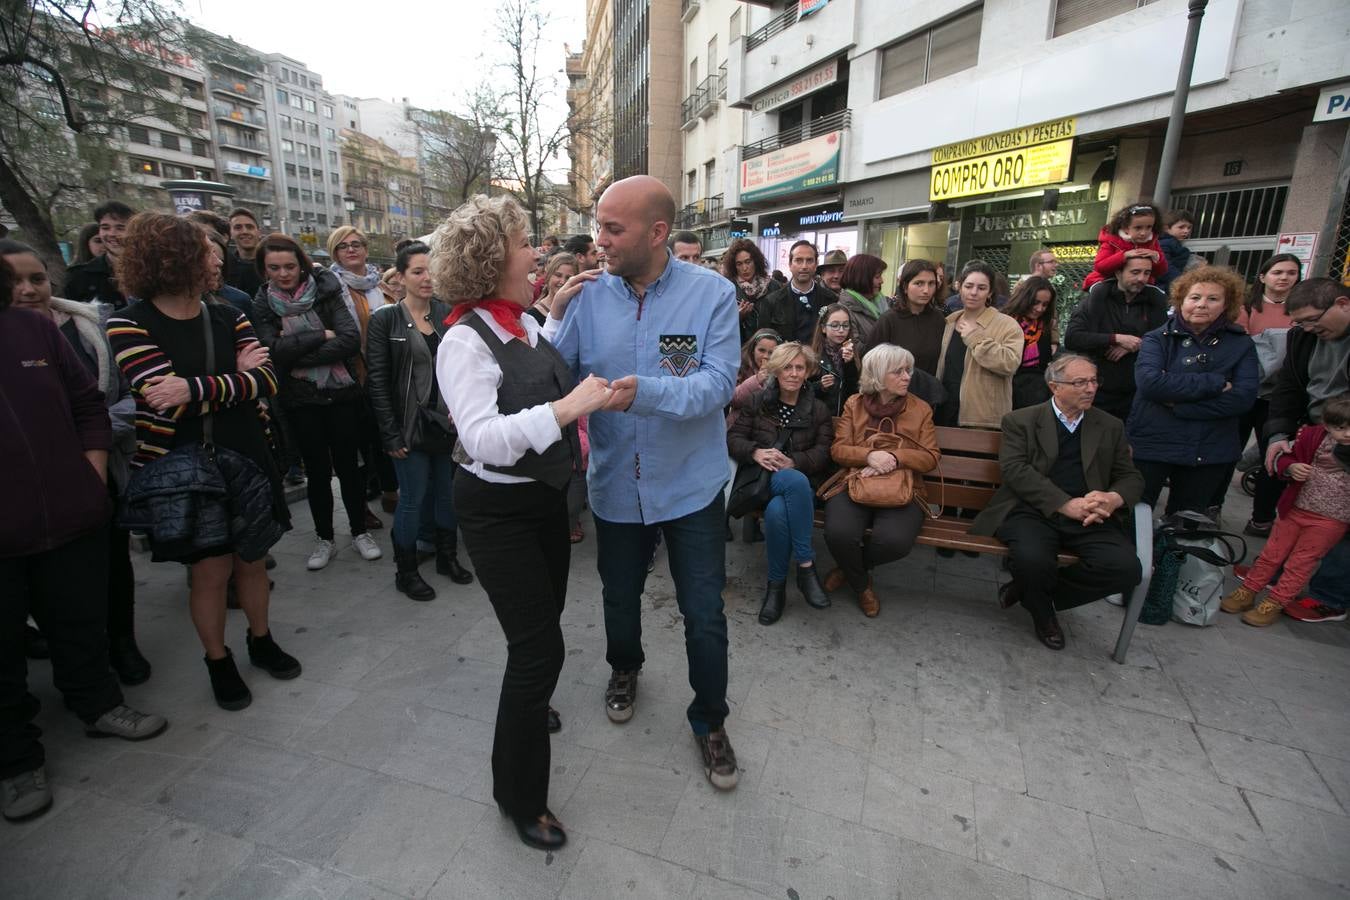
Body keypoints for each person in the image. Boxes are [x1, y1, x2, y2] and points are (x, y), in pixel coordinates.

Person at [544, 175, 742, 791]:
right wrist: (554, 316)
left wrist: (645, 393)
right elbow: (553, 380)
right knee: (619, 595)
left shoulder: (712, 294)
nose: (599, 240)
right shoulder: (585, 297)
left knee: (703, 612)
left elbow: (717, 385)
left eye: (612, 228)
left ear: (657, 233)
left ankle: (710, 719)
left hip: (690, 486)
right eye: (598, 226)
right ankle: (624, 667)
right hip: (615, 484)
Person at [435, 194, 612, 851]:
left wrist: (558, 315)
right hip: (496, 510)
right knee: (538, 649)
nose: (536, 252)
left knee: (541, 631)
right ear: (491, 259)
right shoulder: (463, 340)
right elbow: (482, 438)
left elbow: (539, 373)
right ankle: (519, 797)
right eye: (523, 243)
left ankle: (532, 705)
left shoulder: (523, 323)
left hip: (542, 501)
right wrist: (569, 409)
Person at [106, 213, 299, 710]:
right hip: (186, 466)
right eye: (207, 251)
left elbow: (267, 380)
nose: (218, 259)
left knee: (252, 560)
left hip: (248, 454)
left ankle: (261, 640)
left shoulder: (228, 314)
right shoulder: (128, 323)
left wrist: (192, 388)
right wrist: (235, 381)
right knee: (210, 573)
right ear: (173, 259)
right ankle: (218, 660)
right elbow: (162, 399)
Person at [0, 255, 168, 824]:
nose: (27, 289)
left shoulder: (32, 330)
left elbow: (88, 405)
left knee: (79, 620)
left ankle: (99, 705)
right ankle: (17, 760)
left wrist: (91, 476)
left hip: (69, 517)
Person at [3, 239, 147, 685]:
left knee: (108, 570)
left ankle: (119, 645)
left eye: (37, 278)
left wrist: (91, 464)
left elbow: (120, 398)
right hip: (21, 499)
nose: (27, 289)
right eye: (13, 281)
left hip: (94, 476)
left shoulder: (88, 328)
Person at [971, 354, 1144, 649]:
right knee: (1032, 560)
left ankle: (1031, 594)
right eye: (1080, 382)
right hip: (1032, 510)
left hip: (1090, 515)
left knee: (1126, 568)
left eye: (1094, 381)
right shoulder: (1021, 420)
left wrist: (1112, 498)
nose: (1090, 388)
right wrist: (1064, 504)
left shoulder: (1109, 425)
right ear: (1055, 386)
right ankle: (1044, 616)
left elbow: (1130, 476)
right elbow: (1015, 470)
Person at [251, 233, 381, 570]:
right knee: (318, 472)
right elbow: (272, 351)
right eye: (274, 268)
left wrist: (294, 349)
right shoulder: (263, 302)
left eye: (290, 266)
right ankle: (325, 537)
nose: (283, 274)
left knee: (349, 468)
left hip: (342, 395)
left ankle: (359, 531)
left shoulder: (325, 289)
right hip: (300, 400)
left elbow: (349, 340)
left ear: (302, 264)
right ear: (264, 270)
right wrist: (321, 335)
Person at [367, 241, 472, 601]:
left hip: (446, 423)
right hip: (408, 426)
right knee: (412, 498)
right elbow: (378, 381)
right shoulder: (386, 319)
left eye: (431, 270)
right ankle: (406, 571)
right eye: (417, 271)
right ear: (400, 277)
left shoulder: (447, 313)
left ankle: (447, 557)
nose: (427, 278)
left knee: (447, 494)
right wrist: (390, 434)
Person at [1127, 266, 1258, 514]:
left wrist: (1180, 405)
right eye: (1195, 297)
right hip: (1153, 442)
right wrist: (1215, 383)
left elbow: (1242, 398)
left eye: (1213, 298)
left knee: (1187, 522)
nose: (1202, 305)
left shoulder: (1241, 344)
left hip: (1209, 448)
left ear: (1226, 305)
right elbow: (1150, 384)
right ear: (1181, 300)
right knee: (1135, 516)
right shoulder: (1157, 339)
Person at [821, 344, 940, 617]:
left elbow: (931, 457)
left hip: (903, 486)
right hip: (856, 480)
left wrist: (894, 459)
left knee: (894, 542)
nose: (907, 376)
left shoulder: (920, 409)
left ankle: (850, 571)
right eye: (898, 371)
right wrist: (869, 456)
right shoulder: (854, 404)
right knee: (839, 533)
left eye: (908, 370)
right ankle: (862, 586)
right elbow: (838, 450)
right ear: (877, 374)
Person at [1261, 278, 1350, 622]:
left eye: (1313, 319)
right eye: (1301, 323)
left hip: (1345, 441)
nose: (1310, 328)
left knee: (1339, 520)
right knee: (1296, 506)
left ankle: (1329, 597)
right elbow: (1288, 388)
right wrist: (1278, 434)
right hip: (1312, 436)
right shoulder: (1303, 338)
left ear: (1342, 304)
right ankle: (1275, 572)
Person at [1221, 394, 1350, 627]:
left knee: (1301, 563)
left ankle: (1275, 602)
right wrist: (1290, 467)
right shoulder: (1311, 436)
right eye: (1340, 428)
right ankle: (1248, 590)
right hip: (1295, 509)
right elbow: (1286, 458)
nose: (1347, 434)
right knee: (1271, 554)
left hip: (1332, 520)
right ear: (1326, 424)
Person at [727, 342, 833, 624]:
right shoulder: (757, 402)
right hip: (761, 481)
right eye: (787, 367)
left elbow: (824, 453)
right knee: (791, 484)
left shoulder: (818, 410)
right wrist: (755, 452)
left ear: (808, 372)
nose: (794, 374)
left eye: (800, 368)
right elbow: (733, 438)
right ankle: (806, 565)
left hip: (800, 485)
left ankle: (775, 589)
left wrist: (794, 461)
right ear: (776, 370)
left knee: (778, 510)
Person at [327, 226, 398, 523]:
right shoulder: (330, 288)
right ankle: (361, 507)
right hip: (349, 375)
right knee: (357, 446)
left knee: (385, 436)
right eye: (343, 246)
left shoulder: (381, 286)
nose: (351, 250)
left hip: (385, 373)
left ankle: (391, 491)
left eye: (356, 244)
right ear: (335, 253)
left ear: (366, 249)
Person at [1230, 253, 1302, 534]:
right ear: (1263, 277)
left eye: (1291, 273)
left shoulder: (1300, 309)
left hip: (1280, 397)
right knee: (1227, 452)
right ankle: (1211, 507)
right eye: (1278, 272)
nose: (1284, 277)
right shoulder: (1247, 307)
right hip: (1244, 391)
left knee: (1273, 457)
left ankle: (1262, 518)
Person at [1063, 254, 1169, 421]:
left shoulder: (1154, 302)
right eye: (1135, 272)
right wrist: (1115, 338)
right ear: (1118, 273)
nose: (1141, 278)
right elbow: (1072, 338)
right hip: (1098, 390)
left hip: (1135, 391)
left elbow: (1163, 339)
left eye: (1146, 273)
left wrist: (1135, 344)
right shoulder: (1096, 300)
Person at [934, 261, 1023, 428]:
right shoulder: (949, 322)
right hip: (944, 414)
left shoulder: (1007, 325)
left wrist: (975, 338)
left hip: (982, 420)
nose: (973, 292)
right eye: (968, 286)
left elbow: (1010, 363)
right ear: (959, 288)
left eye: (981, 288)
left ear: (990, 293)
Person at [868, 259, 945, 375]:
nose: (926, 290)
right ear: (905, 286)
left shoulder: (938, 319)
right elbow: (871, 363)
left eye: (931, 284)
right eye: (919, 283)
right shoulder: (889, 321)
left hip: (930, 385)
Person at [757, 240, 838, 344]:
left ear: (816, 264)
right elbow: (763, 341)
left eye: (809, 260)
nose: (804, 266)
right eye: (798, 260)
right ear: (790, 264)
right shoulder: (771, 301)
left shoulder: (830, 299)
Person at [1082, 202, 1167, 290]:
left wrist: (1157, 258)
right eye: (1138, 228)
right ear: (1125, 228)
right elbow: (1100, 267)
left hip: (1140, 285)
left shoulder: (1152, 243)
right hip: (1107, 282)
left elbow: (1161, 271)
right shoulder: (1112, 241)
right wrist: (1124, 256)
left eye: (1149, 227)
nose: (1143, 233)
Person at [63, 200, 133, 308]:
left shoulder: (152, 271)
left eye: (120, 228)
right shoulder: (78, 277)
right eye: (105, 228)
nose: (112, 233)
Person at [1004, 275, 1058, 409]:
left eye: (1045, 304)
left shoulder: (1045, 326)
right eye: (1035, 302)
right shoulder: (1005, 322)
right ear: (1025, 298)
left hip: (1036, 395)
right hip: (1007, 390)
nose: (1040, 309)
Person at [720, 237, 772, 343]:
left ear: (756, 261)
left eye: (748, 262)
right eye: (739, 264)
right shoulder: (728, 288)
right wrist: (737, 317)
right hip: (739, 346)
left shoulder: (773, 286)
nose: (744, 268)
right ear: (734, 266)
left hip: (768, 347)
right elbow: (720, 325)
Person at [810, 304, 858, 416]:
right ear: (823, 328)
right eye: (835, 325)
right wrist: (820, 386)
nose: (841, 330)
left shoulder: (853, 353)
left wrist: (849, 365)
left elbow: (855, 392)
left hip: (845, 418)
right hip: (818, 418)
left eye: (845, 325)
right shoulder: (812, 356)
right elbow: (801, 390)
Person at [836, 253, 890, 350]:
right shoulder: (845, 310)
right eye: (877, 277)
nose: (882, 281)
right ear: (862, 278)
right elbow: (854, 348)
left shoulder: (883, 302)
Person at [529, 252, 580, 324]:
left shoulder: (578, 310)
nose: (562, 282)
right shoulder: (533, 315)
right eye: (558, 275)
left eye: (568, 277)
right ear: (548, 276)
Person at [225, 208, 263, 298]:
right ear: (230, 234)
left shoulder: (272, 264)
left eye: (250, 227)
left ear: (259, 232)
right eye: (238, 227)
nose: (245, 231)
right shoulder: (225, 267)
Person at [1157, 210, 1196, 292]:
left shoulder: (1174, 242)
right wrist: (1182, 281)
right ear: (1166, 228)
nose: (1186, 231)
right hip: (1165, 286)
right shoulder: (1165, 243)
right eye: (1181, 227)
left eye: (1189, 228)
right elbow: (1165, 266)